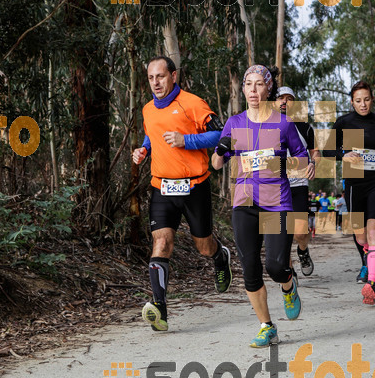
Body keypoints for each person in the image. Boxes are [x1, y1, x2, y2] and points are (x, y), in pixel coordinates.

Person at [132, 56, 232, 332]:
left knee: (203, 246)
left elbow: (223, 134)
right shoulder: (148, 109)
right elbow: (152, 135)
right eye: (151, 77)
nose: (156, 82)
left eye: (161, 76)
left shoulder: (192, 103)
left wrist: (186, 141)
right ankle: (160, 310)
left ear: (173, 76)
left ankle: (219, 256)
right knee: (161, 243)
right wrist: (143, 150)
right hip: (162, 187)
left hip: (194, 186)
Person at [211, 65, 308, 347]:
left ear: (269, 89)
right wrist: (220, 149)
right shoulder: (234, 123)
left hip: (277, 203)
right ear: (243, 89)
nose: (253, 90)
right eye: (248, 84)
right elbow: (216, 164)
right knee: (250, 267)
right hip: (244, 203)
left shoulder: (283, 123)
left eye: (258, 85)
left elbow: (302, 159)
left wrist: (286, 164)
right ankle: (267, 325)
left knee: (276, 266)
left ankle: (288, 285)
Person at [325, 81, 375, 305]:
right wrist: (343, 154)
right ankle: (370, 259)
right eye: (358, 100)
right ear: (352, 102)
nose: (363, 104)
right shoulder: (344, 122)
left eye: (367, 99)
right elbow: (327, 149)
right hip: (353, 185)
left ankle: (371, 283)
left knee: (373, 233)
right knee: (361, 237)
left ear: (372, 99)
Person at [275, 86, 320, 276]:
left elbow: (315, 152)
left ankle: (303, 250)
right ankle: (288, 271)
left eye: (289, 98)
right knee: (280, 234)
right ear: (274, 101)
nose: (285, 102)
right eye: (281, 98)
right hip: (274, 187)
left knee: (300, 233)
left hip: (298, 185)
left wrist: (313, 164)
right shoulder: (264, 124)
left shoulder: (304, 126)